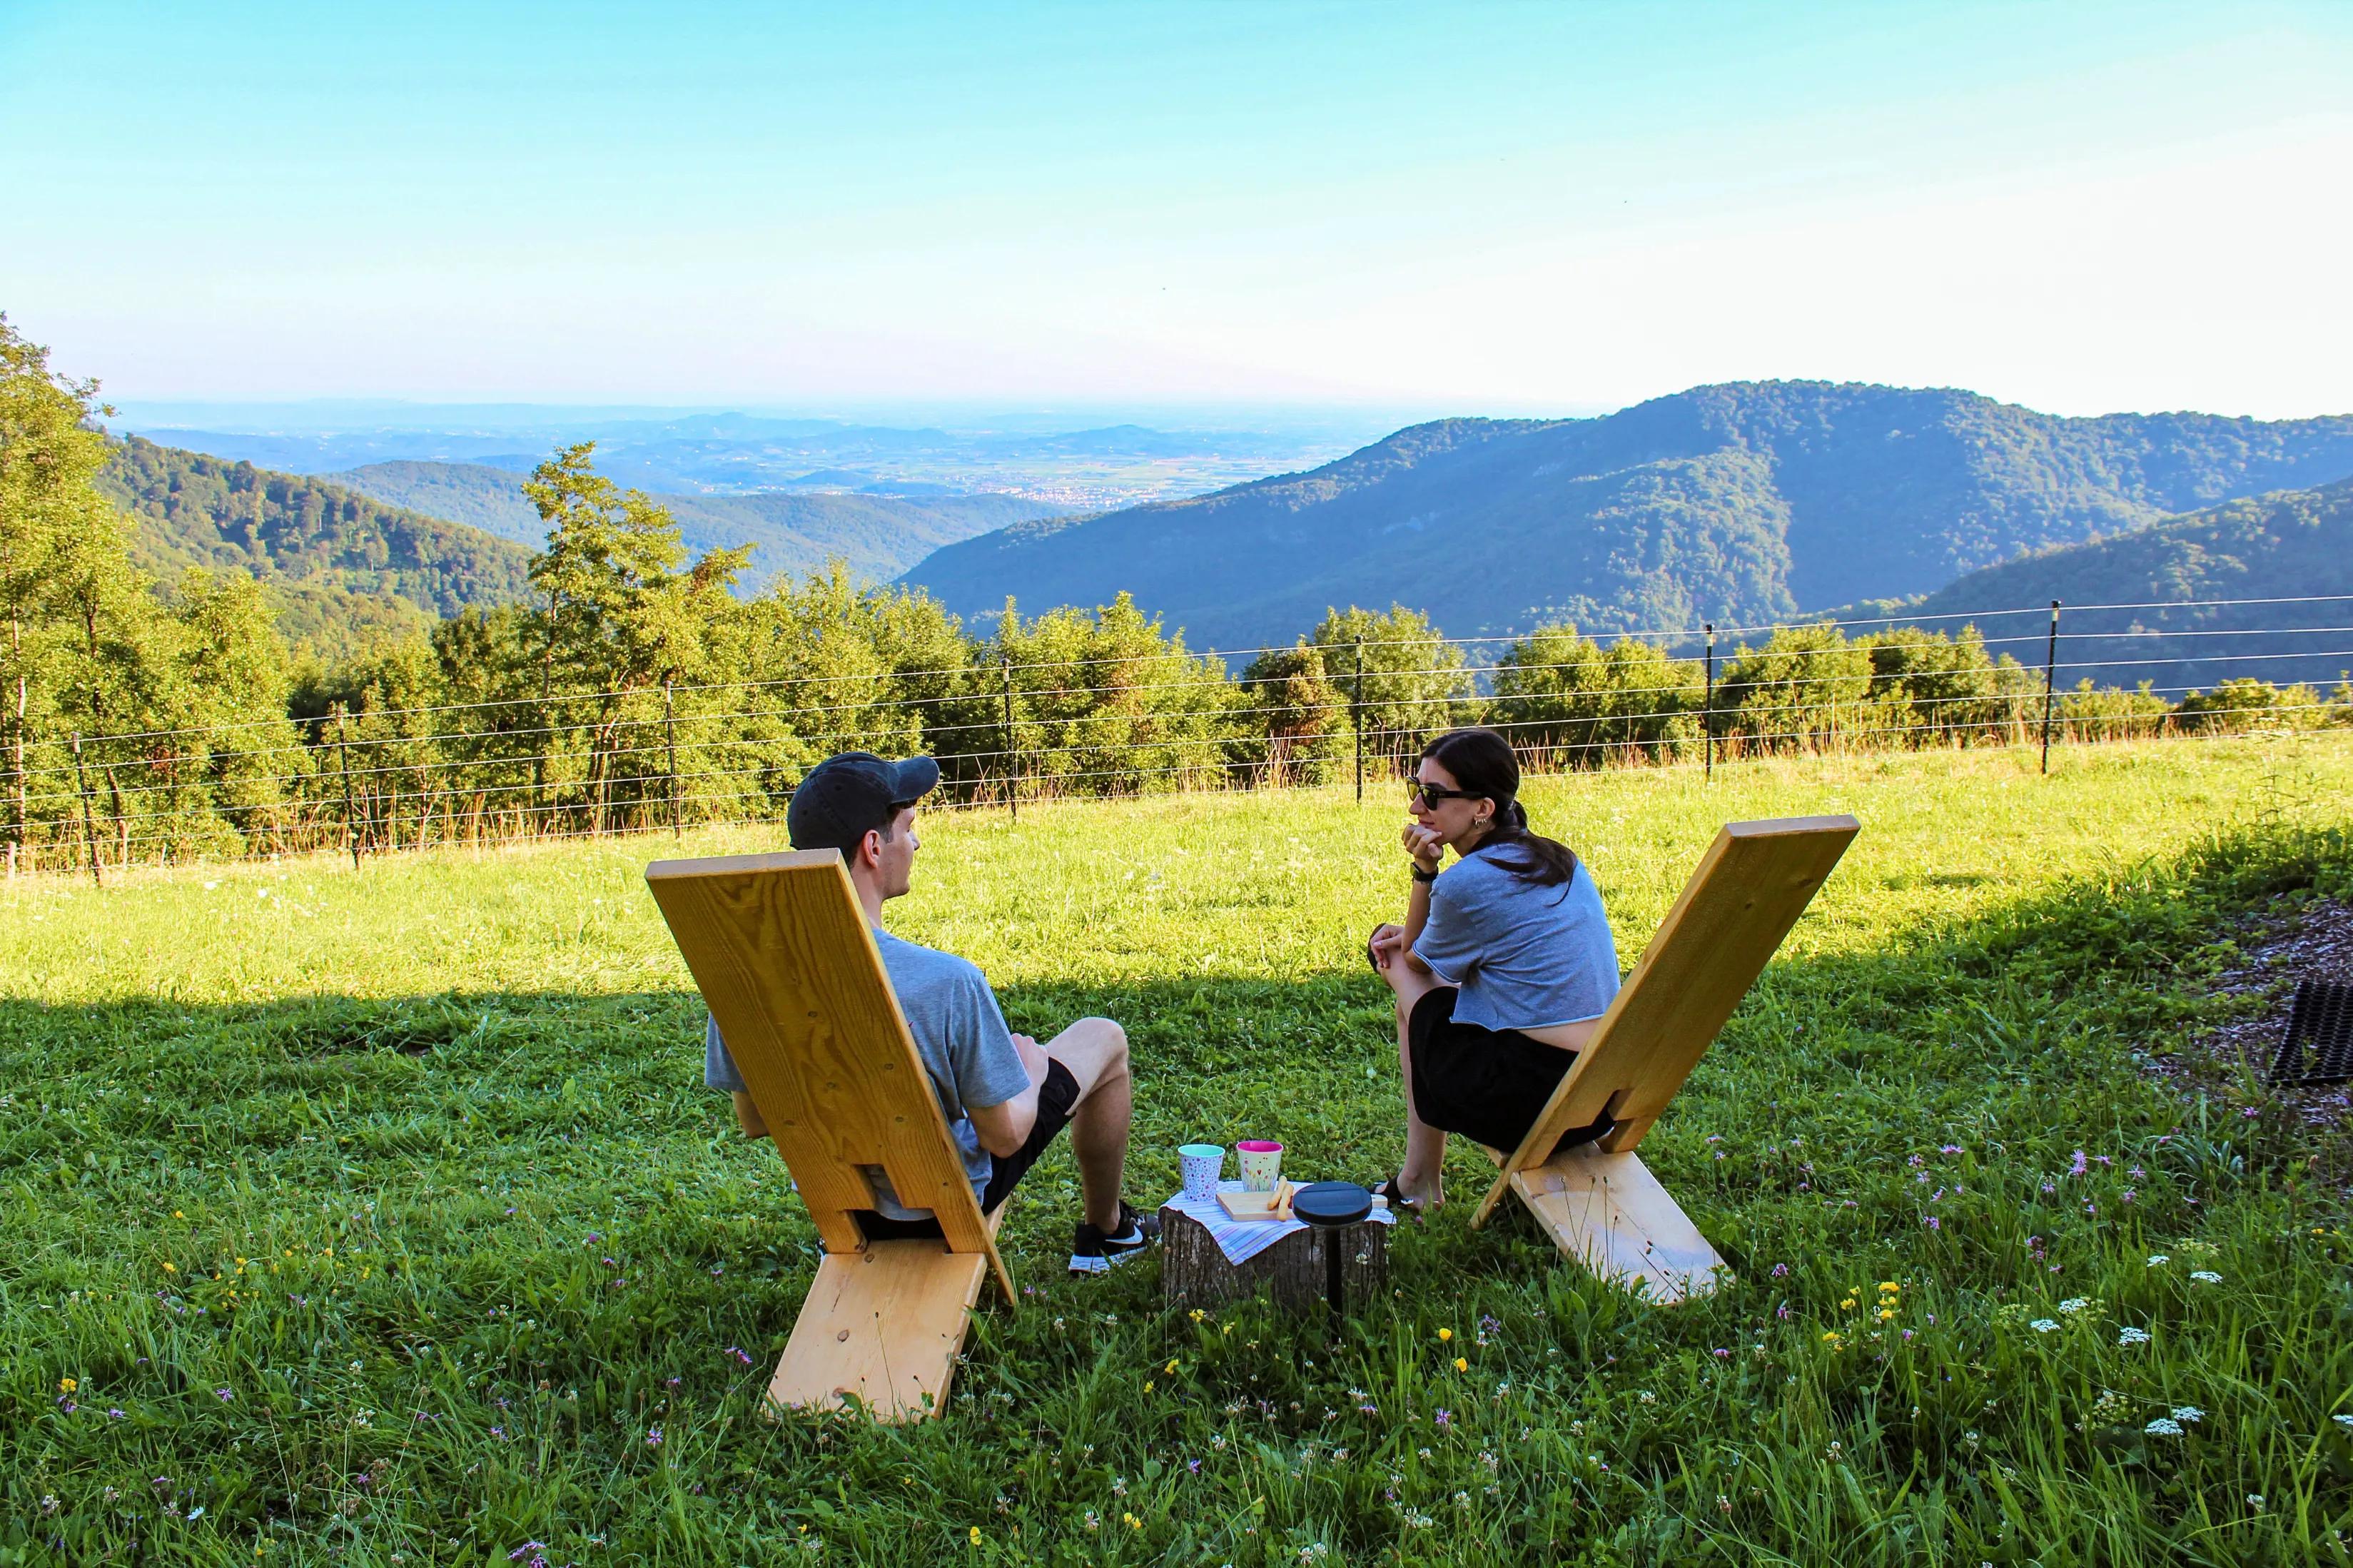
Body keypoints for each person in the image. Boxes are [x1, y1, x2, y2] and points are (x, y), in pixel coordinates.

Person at [704, 750, 1158, 1273]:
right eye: (908, 827)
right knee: (1103, 1036)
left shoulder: (740, 979)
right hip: (943, 1201)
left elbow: (755, 1119)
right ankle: (1106, 1233)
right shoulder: (945, 981)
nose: (916, 842)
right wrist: (1031, 1075)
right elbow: (1004, 1136)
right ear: (874, 847)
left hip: (848, 1209)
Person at [1365, 727, 1622, 1215]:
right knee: (1417, 984)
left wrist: (1424, 871)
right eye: (1413, 788)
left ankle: (1418, 1180)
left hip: (1530, 1101)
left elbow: (1417, 958)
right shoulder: (1556, 859)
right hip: (1597, 1094)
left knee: (1396, 962)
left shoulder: (1469, 882)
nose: (1416, 808)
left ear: (1482, 807)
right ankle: (1417, 1178)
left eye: (1433, 795)